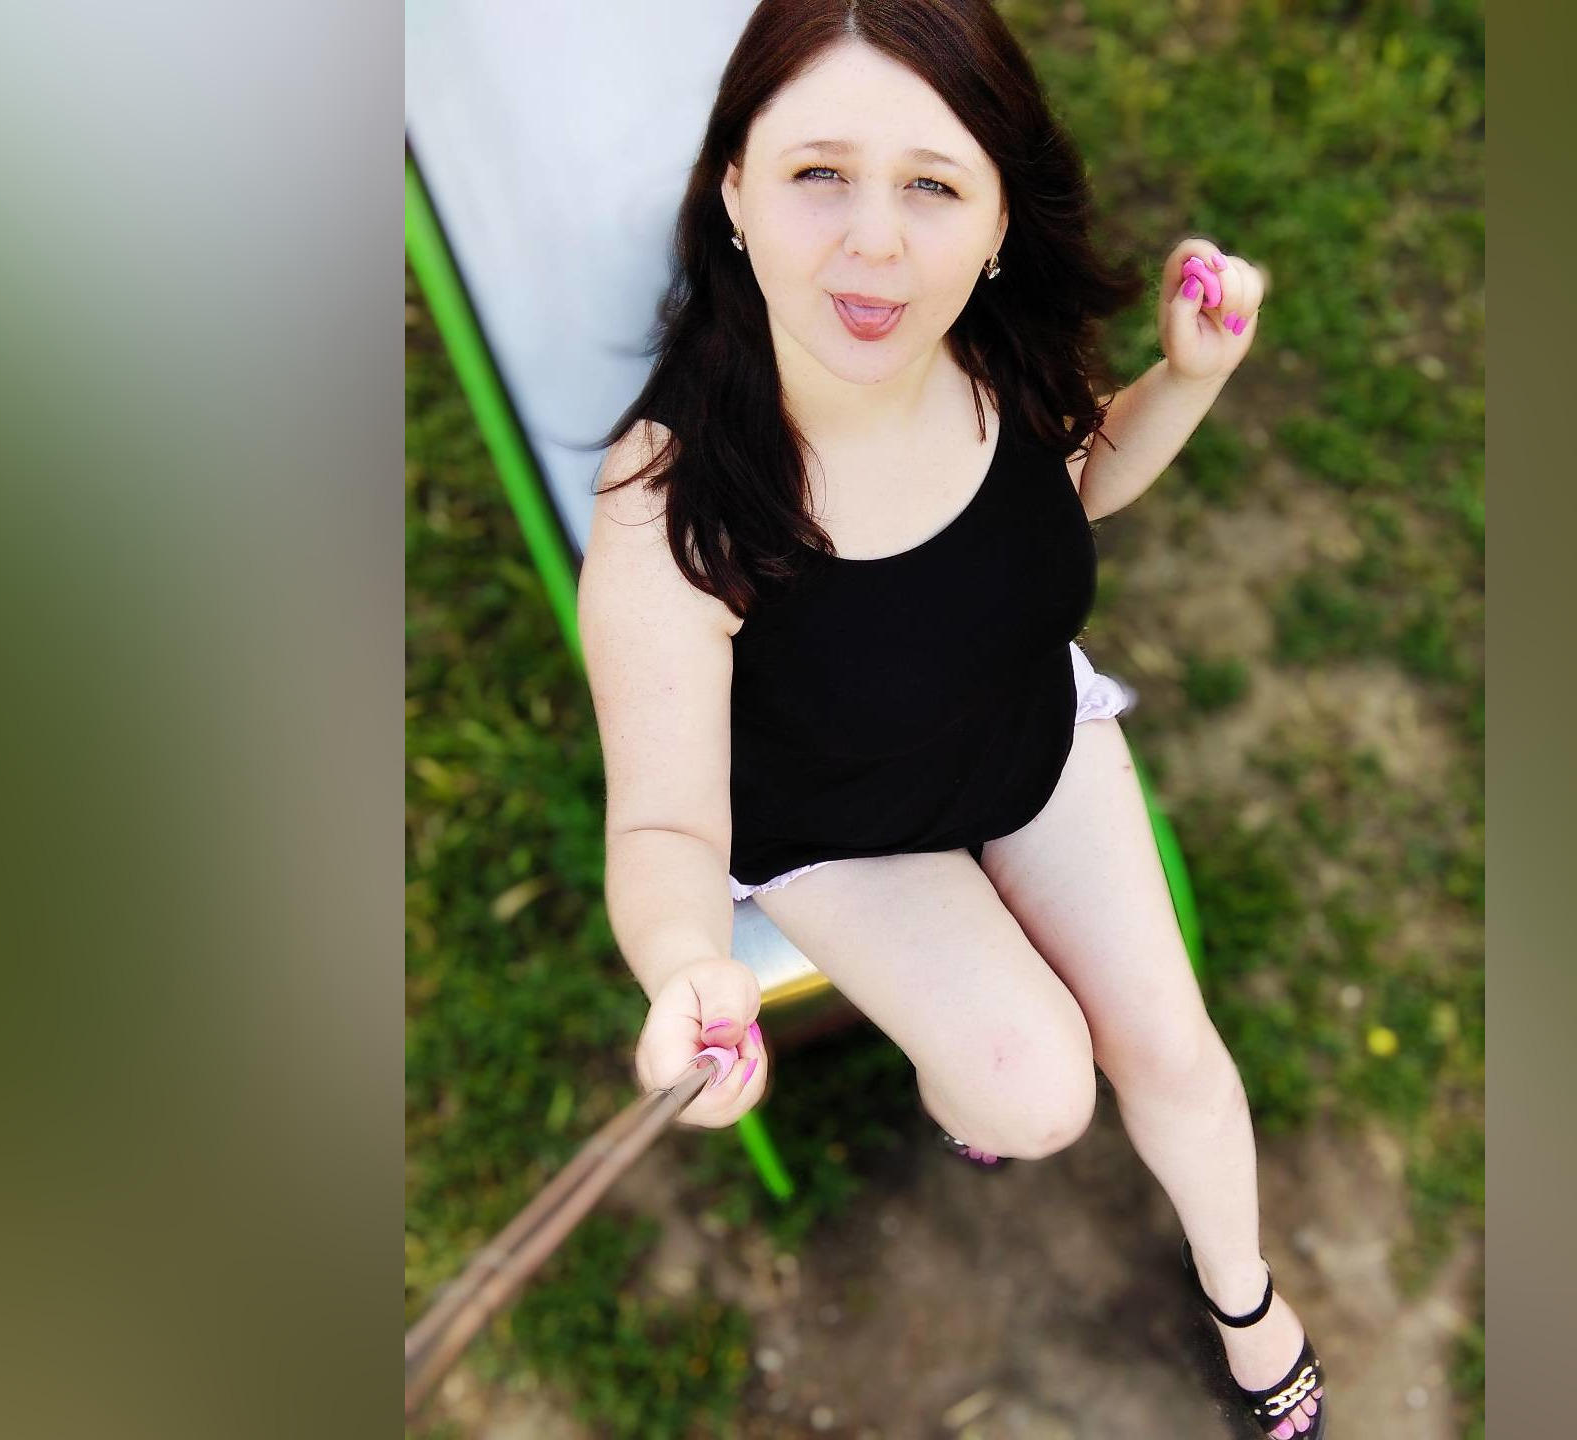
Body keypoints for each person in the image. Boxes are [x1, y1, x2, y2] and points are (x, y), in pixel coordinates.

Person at [578, 5, 1321, 1436]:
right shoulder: (672, 501)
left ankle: (1246, 1302)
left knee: (1171, 1049)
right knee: (1034, 1097)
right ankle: (960, 1084)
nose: (875, 243)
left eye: (932, 184)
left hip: (1024, 730)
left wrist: (1190, 379)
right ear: (733, 188)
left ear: (993, 225)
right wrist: (684, 965)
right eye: (819, 173)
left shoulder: (992, 348)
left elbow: (1072, 486)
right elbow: (665, 822)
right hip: (840, 825)